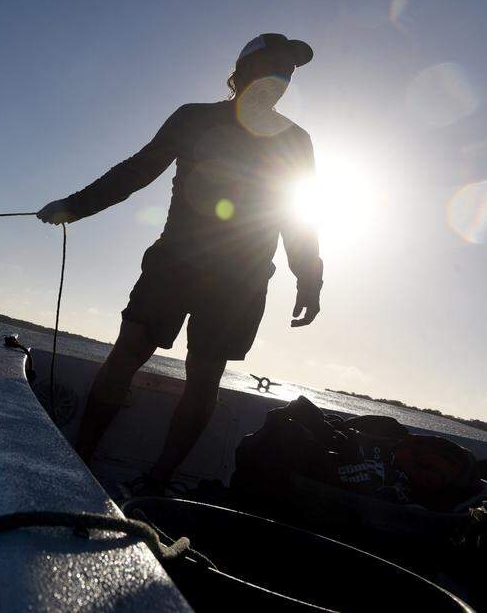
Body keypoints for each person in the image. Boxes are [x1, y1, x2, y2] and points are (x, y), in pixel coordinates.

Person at [37, 33, 323, 494]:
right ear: (243, 70)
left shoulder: (297, 141)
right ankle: (80, 459)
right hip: (174, 265)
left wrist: (309, 277)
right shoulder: (195, 118)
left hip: (241, 281)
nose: (281, 78)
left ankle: (157, 481)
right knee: (127, 352)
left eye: (288, 72)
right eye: (273, 66)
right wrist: (74, 205)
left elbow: (297, 215)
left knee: (205, 377)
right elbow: (137, 170)